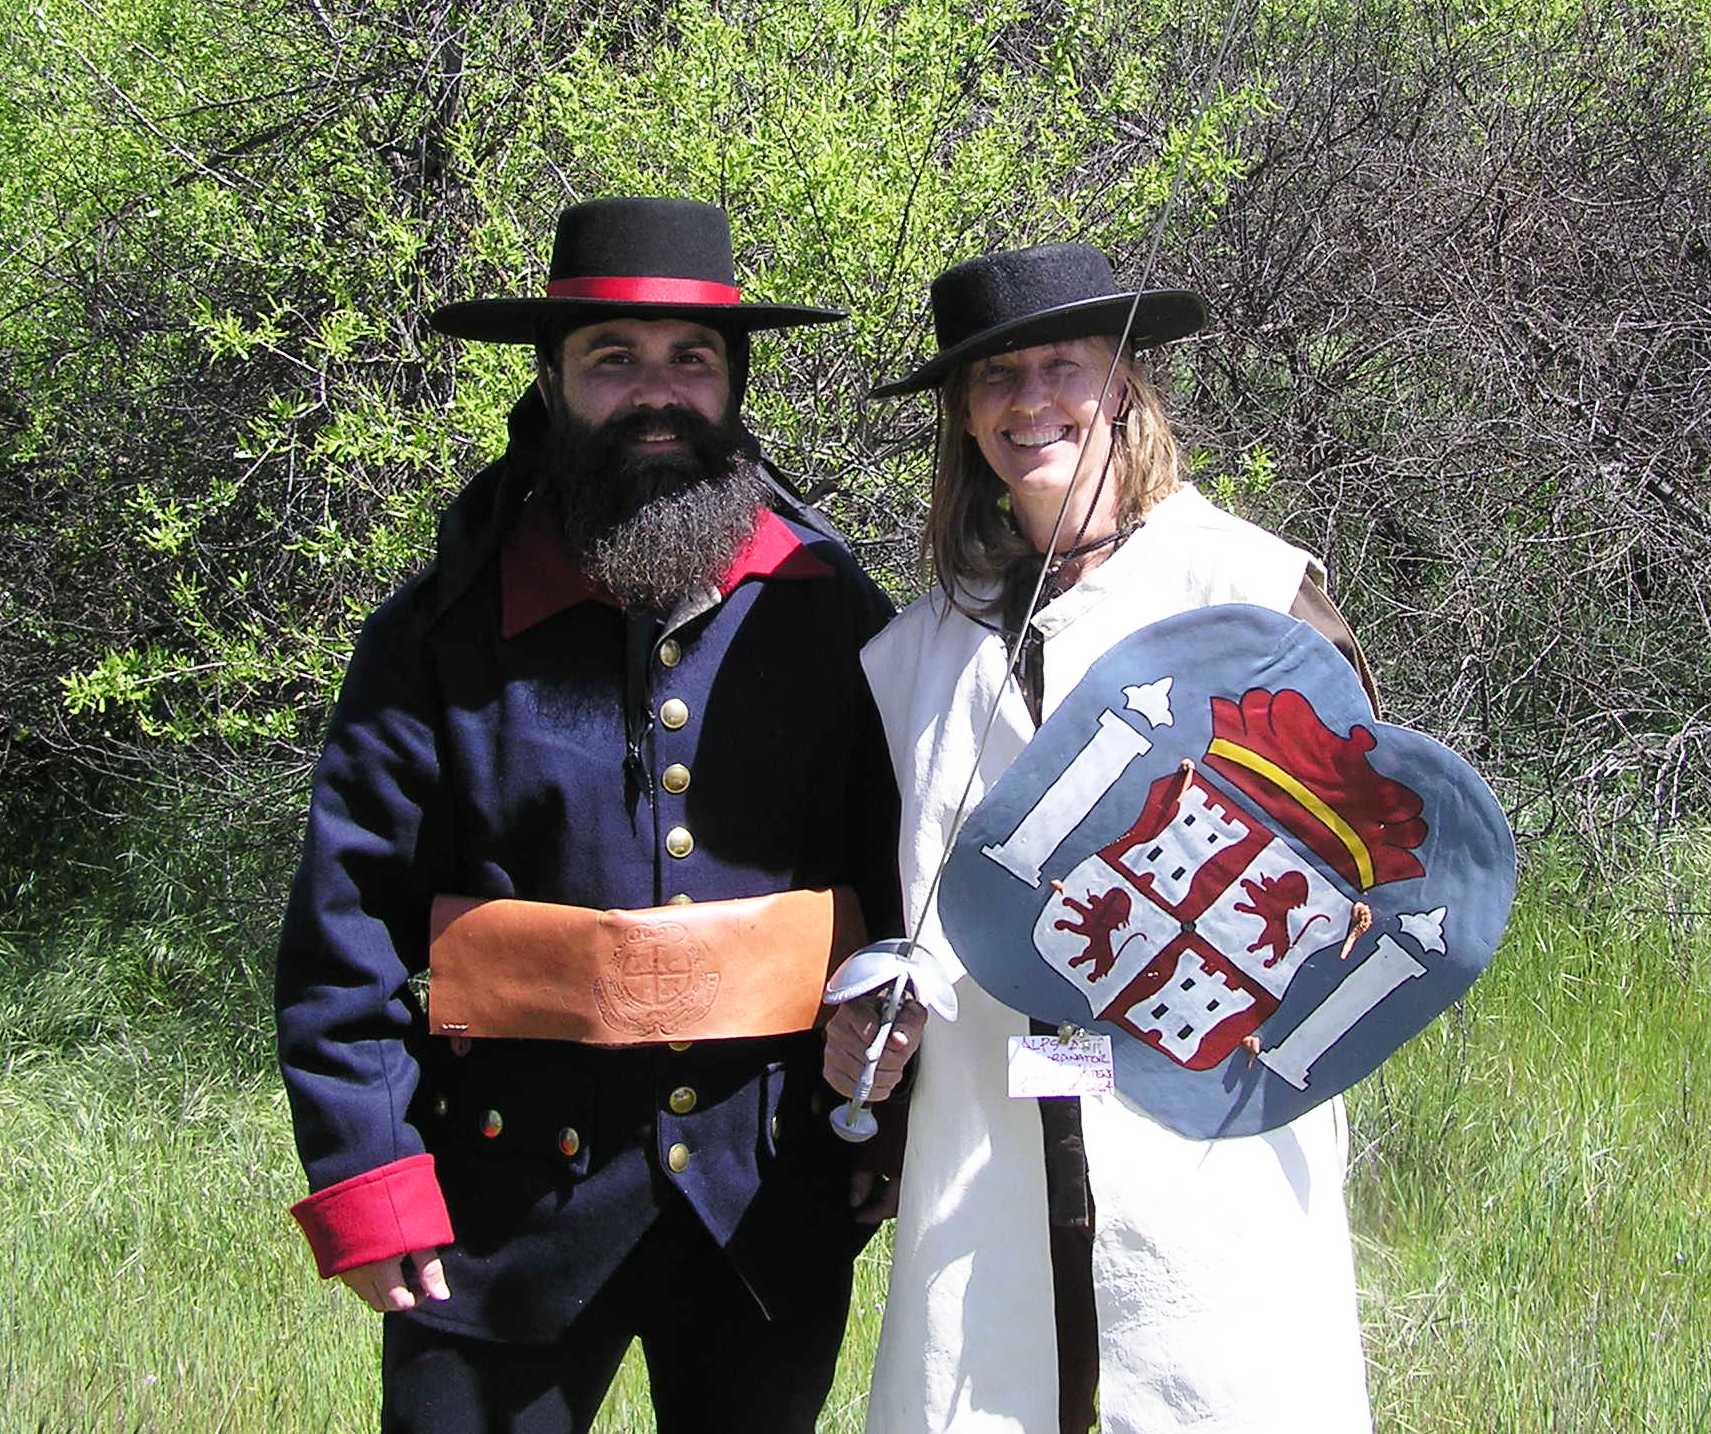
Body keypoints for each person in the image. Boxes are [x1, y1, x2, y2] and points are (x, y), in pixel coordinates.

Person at [275, 197, 910, 1434]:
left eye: (692, 359)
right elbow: (347, 925)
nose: (656, 392)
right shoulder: (435, 637)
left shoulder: (831, 610)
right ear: (552, 380)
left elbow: (900, 885)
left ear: (733, 387)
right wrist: (370, 1179)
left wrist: (883, 1122)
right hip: (502, 1207)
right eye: (613, 359)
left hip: (764, 1192)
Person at [825, 242, 1376, 1433]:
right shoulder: (914, 654)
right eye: (996, 377)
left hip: (1203, 1136)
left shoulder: (1247, 597)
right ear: (964, 418)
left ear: (1123, 384)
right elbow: (885, 898)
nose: (1031, 402)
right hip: (984, 1145)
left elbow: (1368, 862)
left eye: (1062, 367)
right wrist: (871, 1004)